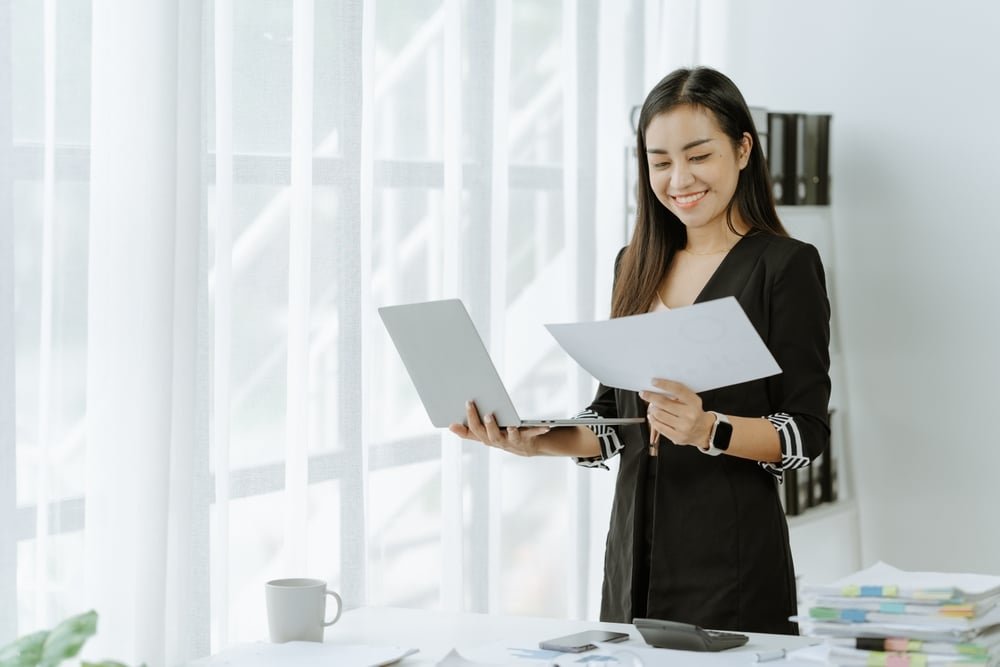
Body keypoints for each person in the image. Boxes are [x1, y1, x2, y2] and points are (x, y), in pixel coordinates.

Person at [449, 66, 830, 635]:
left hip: (732, 559)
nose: (680, 178)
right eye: (660, 162)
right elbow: (614, 416)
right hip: (632, 551)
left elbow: (806, 434)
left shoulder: (785, 266)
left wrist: (709, 430)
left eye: (699, 156)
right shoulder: (634, 263)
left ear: (743, 149)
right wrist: (533, 441)